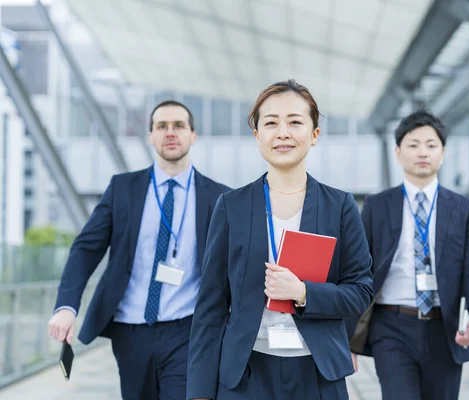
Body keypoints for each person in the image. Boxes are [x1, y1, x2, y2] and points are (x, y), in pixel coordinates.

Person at [186, 79, 373, 400]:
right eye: (271, 123)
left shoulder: (340, 206)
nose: (283, 132)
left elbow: (360, 291)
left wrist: (302, 292)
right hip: (245, 374)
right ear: (258, 135)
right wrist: (199, 392)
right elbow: (210, 306)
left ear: (314, 135)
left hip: (317, 372)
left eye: (295, 122)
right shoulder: (232, 207)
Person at [48, 100, 231, 400]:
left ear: (193, 135)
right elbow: (86, 248)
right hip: (130, 330)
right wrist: (67, 306)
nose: (170, 133)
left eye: (179, 126)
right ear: (150, 136)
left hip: (188, 329)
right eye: (161, 126)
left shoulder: (219, 196)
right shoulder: (123, 188)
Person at [347, 110, 469, 400]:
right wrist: (347, 338)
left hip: (445, 327)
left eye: (431, 145)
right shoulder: (377, 206)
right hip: (391, 326)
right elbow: (356, 270)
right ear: (398, 153)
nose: (422, 152)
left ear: (443, 153)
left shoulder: (464, 208)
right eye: (413, 145)